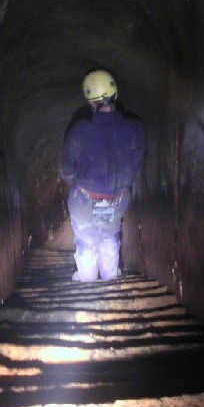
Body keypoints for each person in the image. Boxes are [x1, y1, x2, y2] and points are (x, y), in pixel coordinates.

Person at [60, 69, 145, 281]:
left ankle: (88, 285)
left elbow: (66, 171)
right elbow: (136, 166)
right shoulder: (135, 128)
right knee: (109, 237)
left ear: (91, 102)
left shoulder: (80, 131)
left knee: (87, 241)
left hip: (86, 199)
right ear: (115, 95)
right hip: (118, 200)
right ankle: (111, 282)